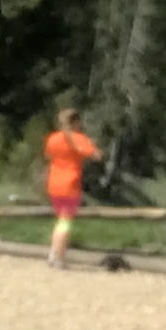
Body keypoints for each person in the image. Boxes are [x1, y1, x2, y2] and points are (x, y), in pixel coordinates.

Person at [44, 105, 102, 269]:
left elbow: (48, 155)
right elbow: (96, 155)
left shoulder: (53, 138)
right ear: (76, 122)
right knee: (65, 222)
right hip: (70, 184)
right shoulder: (79, 138)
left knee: (60, 220)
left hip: (54, 183)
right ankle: (57, 256)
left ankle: (53, 253)